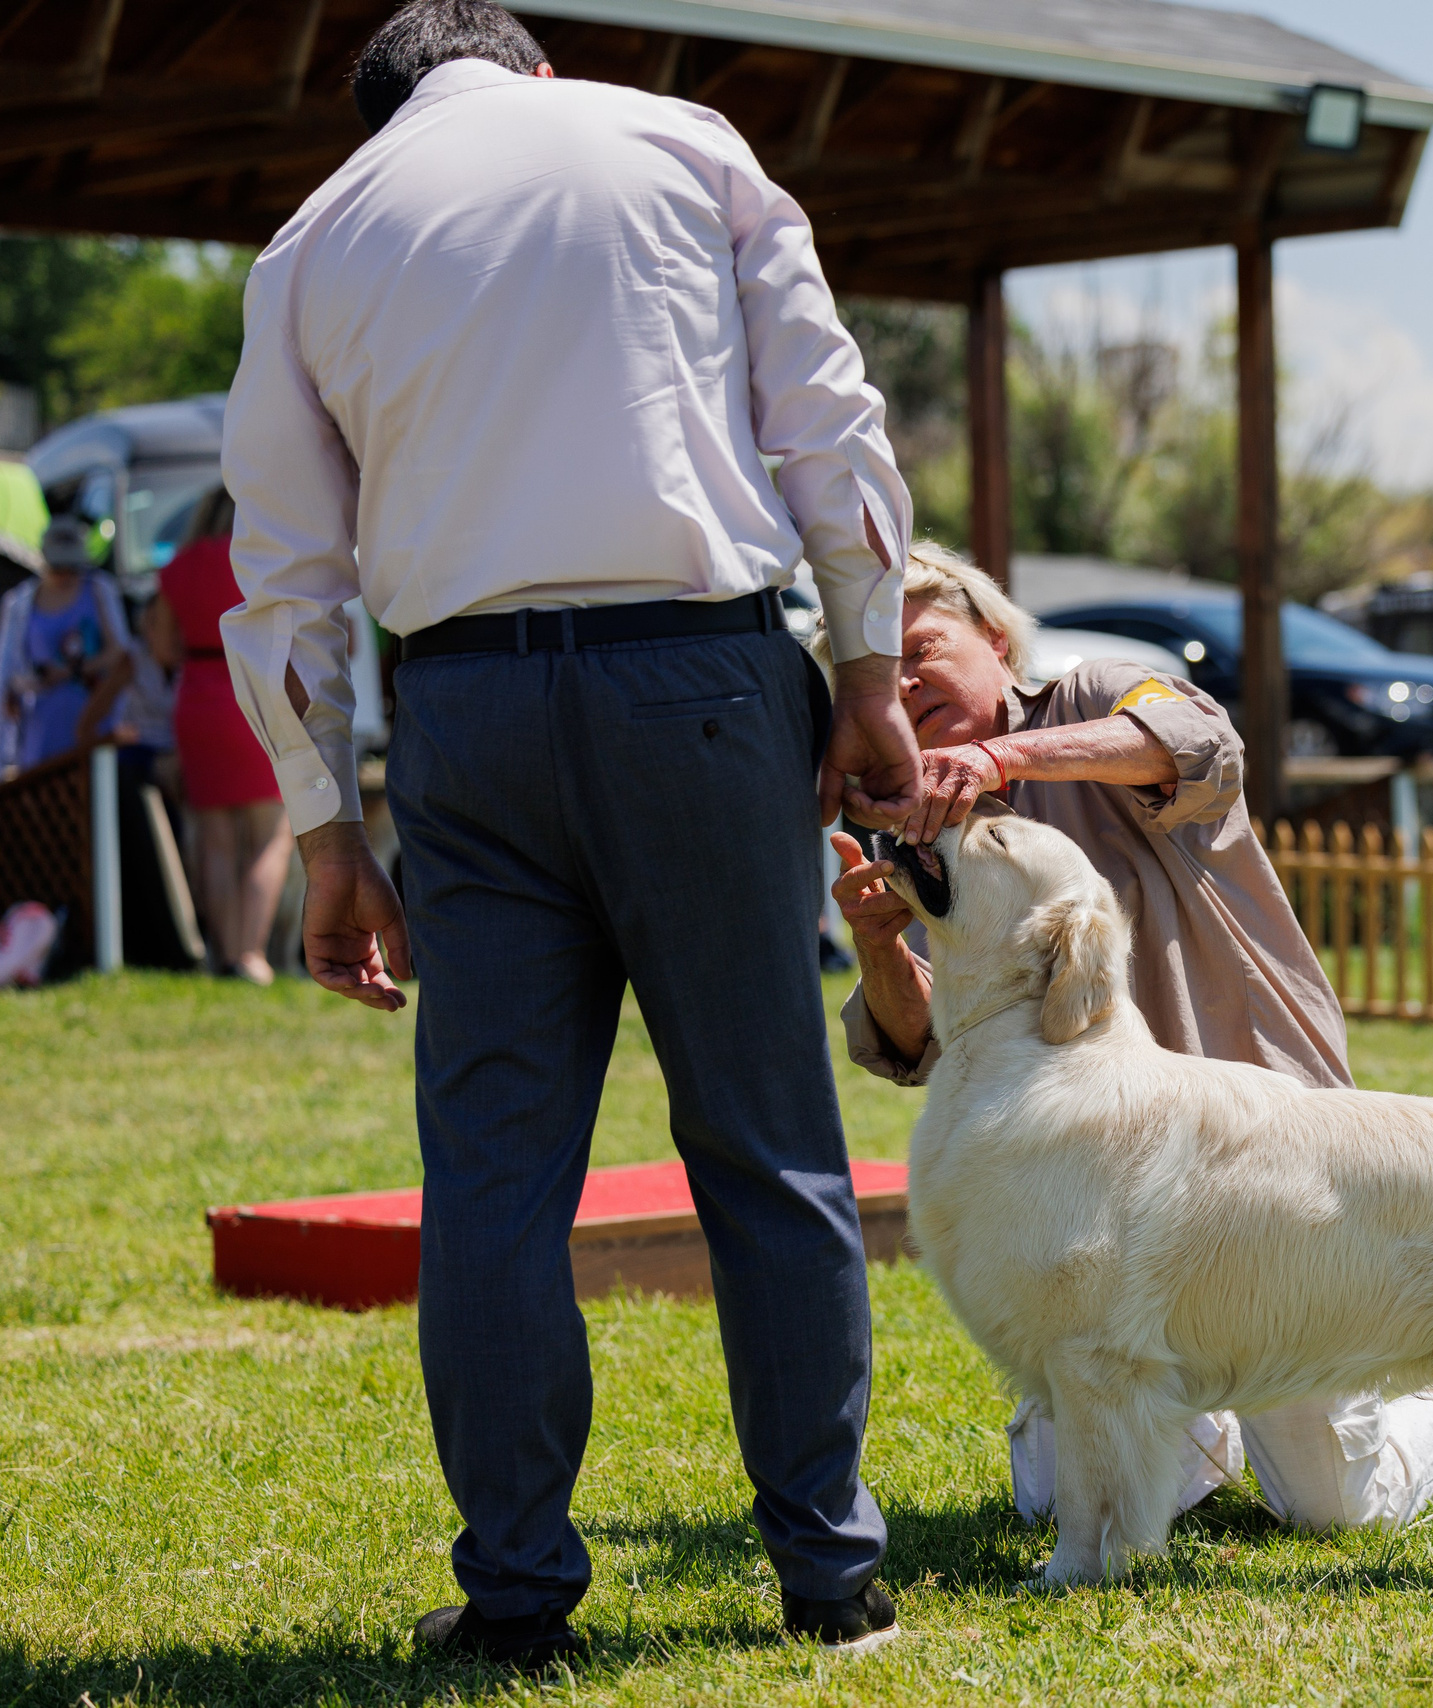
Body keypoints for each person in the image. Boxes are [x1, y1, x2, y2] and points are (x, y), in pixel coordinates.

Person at [218, 0, 923, 1670]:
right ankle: (829, 1573)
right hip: (696, 677)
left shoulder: (313, 241)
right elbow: (828, 412)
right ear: (533, 67)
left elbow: (284, 570)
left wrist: (325, 833)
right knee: (766, 1141)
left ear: (384, 111)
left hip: (460, 712)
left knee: (492, 1178)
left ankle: (518, 1592)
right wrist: (877, 667)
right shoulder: (680, 140)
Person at [831, 546, 1433, 1535]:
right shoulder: (921, 829)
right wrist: (879, 943)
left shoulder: (1091, 697)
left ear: (1000, 639)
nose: (904, 682)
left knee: (1328, 1509)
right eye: (877, 672)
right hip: (1098, 1201)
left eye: (922, 647)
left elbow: (1198, 737)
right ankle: (1204, 1410)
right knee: (1058, 1499)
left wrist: (1001, 759)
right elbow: (922, 1043)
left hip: (1264, 1173)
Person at [147, 488, 292, 984]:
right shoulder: (264, 560)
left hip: (199, 702)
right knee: (272, 833)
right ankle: (251, 954)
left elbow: (162, 648)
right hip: (254, 694)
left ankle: (224, 955)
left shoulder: (180, 565)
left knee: (215, 839)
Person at [0, 516, 131, 779]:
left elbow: (120, 656)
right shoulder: (19, 604)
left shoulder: (99, 590)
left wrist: (68, 672)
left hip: (93, 732)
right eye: (58, 567)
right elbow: (4, 679)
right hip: (40, 737)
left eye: (72, 567)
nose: (66, 575)